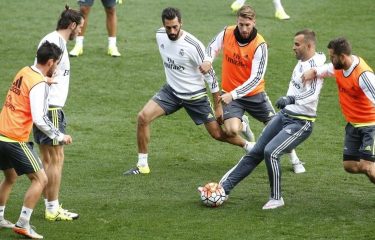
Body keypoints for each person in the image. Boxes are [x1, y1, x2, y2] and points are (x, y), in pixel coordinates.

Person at [201, 29, 325, 209]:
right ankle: (223, 189)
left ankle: (277, 198)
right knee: (256, 152)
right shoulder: (304, 62)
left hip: (301, 122)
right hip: (285, 116)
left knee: (271, 152)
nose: (293, 48)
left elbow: (312, 94)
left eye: (297, 45)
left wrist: (290, 99)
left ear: (309, 46)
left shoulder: (315, 69)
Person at [123, 7, 253, 176]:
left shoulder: (193, 46)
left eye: (175, 27)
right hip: (171, 92)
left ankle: (249, 146)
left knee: (217, 134)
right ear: (163, 25)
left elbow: (211, 77)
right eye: (168, 27)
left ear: (181, 23)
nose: (172, 31)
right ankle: (142, 166)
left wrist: (218, 106)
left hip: (195, 97)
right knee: (143, 117)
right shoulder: (160, 35)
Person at [200, 5, 304, 173]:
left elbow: (256, 79)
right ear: (237, 22)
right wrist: (207, 60)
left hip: (254, 95)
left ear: (254, 22)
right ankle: (243, 124)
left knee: (279, 127)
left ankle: (294, 159)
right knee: (231, 130)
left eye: (247, 25)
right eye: (241, 24)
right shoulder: (227, 32)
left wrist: (233, 95)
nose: (244, 28)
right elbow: (212, 47)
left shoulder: (260, 45)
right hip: (231, 95)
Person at [0, 42, 73, 239]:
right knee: (41, 179)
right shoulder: (39, 84)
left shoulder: (25, 71)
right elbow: (39, 119)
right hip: (14, 139)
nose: (56, 67)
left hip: (1, 133)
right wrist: (60, 135)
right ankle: (23, 223)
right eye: (56, 63)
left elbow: (27, 89)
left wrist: (43, 83)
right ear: (50, 62)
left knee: (11, 176)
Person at [33, 6, 83, 221]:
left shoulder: (53, 39)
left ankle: (49, 204)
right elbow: (41, 70)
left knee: (48, 159)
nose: (80, 32)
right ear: (71, 25)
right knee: (55, 160)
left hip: (46, 106)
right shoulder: (55, 43)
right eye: (79, 28)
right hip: (51, 108)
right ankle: (52, 208)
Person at [302, 37, 375, 183]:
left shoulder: (363, 75)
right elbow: (328, 69)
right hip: (353, 124)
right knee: (350, 165)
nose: (331, 60)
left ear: (342, 57)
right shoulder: (339, 67)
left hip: (370, 125)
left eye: (332, 57)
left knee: (368, 166)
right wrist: (314, 71)